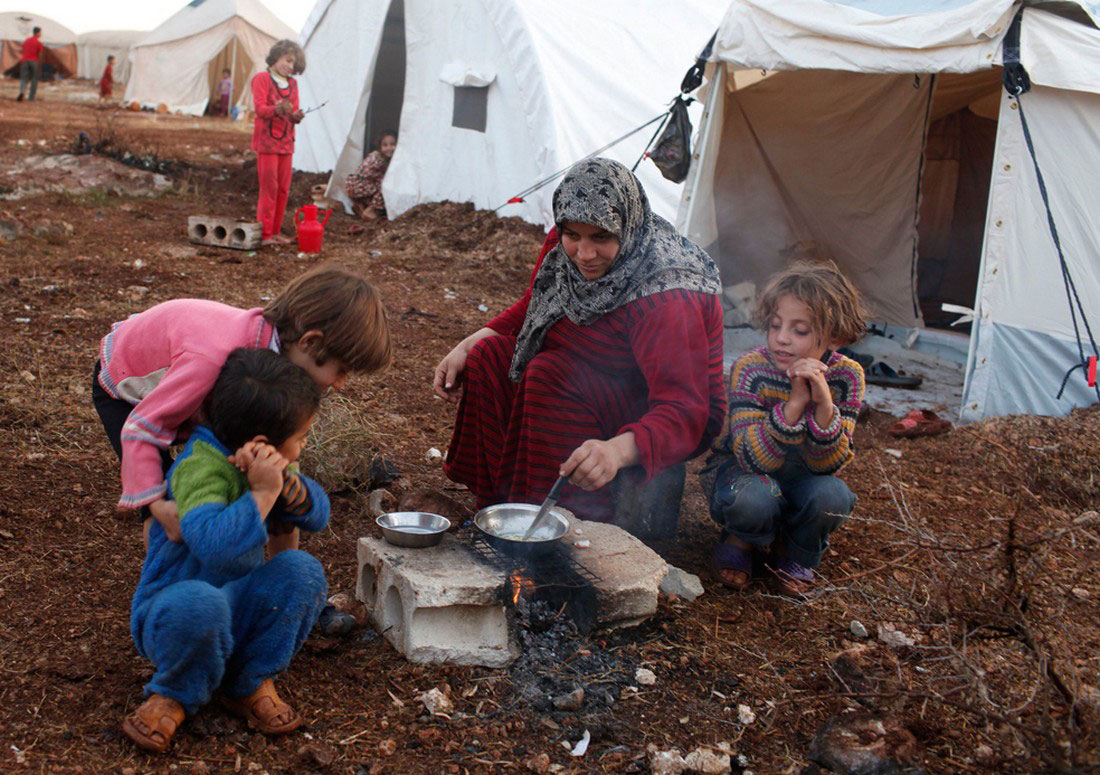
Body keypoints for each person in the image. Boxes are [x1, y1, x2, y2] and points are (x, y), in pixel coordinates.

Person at [434, 157, 726, 522]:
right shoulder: (561, 244)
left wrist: (615, 453)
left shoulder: (665, 295)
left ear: (626, 224)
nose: (584, 254)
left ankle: (558, 522)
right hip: (589, 373)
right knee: (489, 356)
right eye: (574, 236)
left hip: (654, 406)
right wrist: (472, 341)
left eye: (601, 237)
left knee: (548, 374)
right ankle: (498, 511)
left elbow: (686, 411)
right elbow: (535, 305)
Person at [91, 265, 392, 550]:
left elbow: (284, 465)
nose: (340, 384)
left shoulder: (278, 367)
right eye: (342, 370)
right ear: (310, 343)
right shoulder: (211, 360)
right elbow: (143, 427)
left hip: (202, 395)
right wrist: (154, 504)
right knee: (171, 505)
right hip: (131, 390)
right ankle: (159, 592)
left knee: (276, 468)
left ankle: (281, 585)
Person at [120, 348, 329, 753]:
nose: (301, 449)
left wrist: (286, 487)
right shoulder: (201, 466)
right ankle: (174, 692)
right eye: (301, 438)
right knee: (202, 604)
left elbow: (317, 516)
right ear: (264, 441)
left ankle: (247, 680)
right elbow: (219, 550)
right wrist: (262, 494)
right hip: (175, 610)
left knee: (302, 571)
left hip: (238, 605)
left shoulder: (273, 464)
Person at [702, 260, 867, 596]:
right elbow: (752, 460)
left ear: (833, 336)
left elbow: (829, 466)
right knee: (754, 496)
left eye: (799, 331)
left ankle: (793, 549)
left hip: (804, 479)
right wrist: (793, 406)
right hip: (745, 473)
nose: (781, 339)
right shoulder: (751, 369)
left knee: (833, 495)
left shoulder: (848, 377)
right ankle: (741, 539)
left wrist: (823, 406)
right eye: (775, 326)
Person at [251, 40, 306, 246]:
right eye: (288, 60)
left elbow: (292, 113)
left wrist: (296, 116)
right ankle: (264, 234)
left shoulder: (293, 84)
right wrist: (277, 108)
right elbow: (260, 109)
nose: (290, 67)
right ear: (276, 57)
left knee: (283, 188)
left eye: (294, 64)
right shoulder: (261, 79)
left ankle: (275, 231)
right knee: (269, 188)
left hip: (286, 141)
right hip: (267, 141)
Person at [345, 130, 397, 221]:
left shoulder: (379, 156)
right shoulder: (378, 158)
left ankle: (360, 207)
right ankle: (371, 211)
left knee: (381, 188)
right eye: (385, 145)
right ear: (380, 147)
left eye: (392, 144)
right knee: (386, 189)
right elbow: (378, 178)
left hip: (355, 185)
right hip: (359, 185)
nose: (389, 148)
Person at [16, 26, 43, 102]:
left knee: (24, 78)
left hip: (25, 61)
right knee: (34, 79)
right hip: (34, 61)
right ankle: (31, 97)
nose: (41, 34)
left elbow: (23, 49)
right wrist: (39, 63)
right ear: (37, 33)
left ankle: (22, 91)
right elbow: (40, 54)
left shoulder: (27, 41)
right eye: (40, 32)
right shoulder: (38, 43)